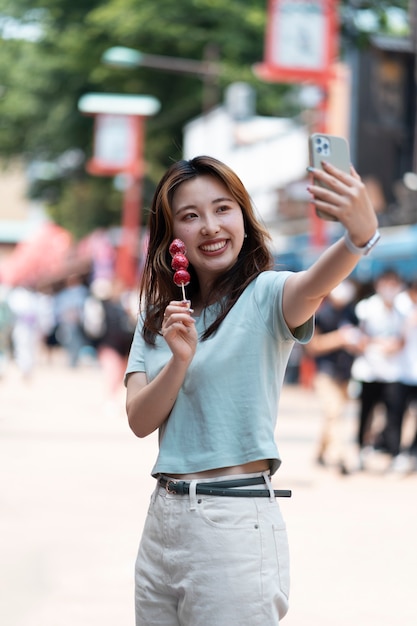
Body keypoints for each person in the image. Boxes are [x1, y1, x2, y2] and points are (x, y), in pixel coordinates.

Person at [124, 155, 379, 625]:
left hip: (233, 521)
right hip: (162, 518)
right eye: (190, 215)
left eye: (222, 209)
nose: (209, 226)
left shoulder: (266, 295)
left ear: (243, 216)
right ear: (171, 235)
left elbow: (314, 284)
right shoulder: (157, 318)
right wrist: (181, 359)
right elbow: (140, 421)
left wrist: (358, 239)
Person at [350, 269, 406, 471]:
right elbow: (360, 338)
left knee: (394, 416)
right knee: (366, 413)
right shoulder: (367, 307)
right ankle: (360, 450)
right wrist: (380, 343)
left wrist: (395, 345)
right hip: (369, 371)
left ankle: (394, 454)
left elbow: (402, 339)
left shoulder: (401, 310)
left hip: (392, 372)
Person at [305, 280, 361, 474]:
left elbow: (361, 340)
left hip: (345, 373)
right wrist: (339, 339)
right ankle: (340, 457)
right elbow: (312, 346)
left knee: (332, 416)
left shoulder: (351, 314)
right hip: (325, 373)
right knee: (334, 413)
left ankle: (320, 452)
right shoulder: (322, 315)